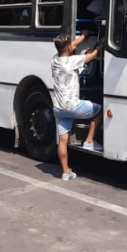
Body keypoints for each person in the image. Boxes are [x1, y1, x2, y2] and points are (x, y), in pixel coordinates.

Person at [51, 30, 103, 181]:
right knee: (100, 110)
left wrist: (84, 36)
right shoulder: (71, 61)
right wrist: (101, 46)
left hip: (59, 108)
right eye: (71, 46)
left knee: (63, 140)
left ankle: (66, 172)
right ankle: (89, 141)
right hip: (73, 106)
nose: (72, 46)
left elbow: (70, 47)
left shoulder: (55, 60)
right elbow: (93, 57)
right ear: (68, 49)